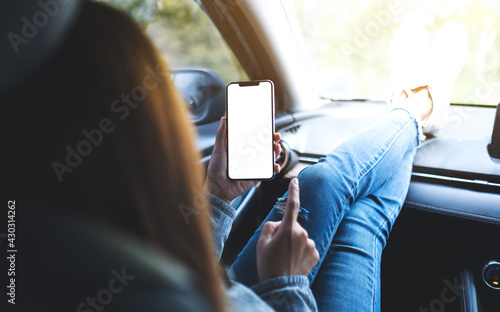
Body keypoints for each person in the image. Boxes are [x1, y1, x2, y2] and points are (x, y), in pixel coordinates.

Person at [1, 0, 468, 310]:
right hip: (264, 297)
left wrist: (220, 195)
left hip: (231, 291)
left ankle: (410, 109)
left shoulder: (41, 243)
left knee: (323, 186)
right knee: (359, 210)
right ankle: (416, 108)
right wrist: (285, 284)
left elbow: (179, 259)